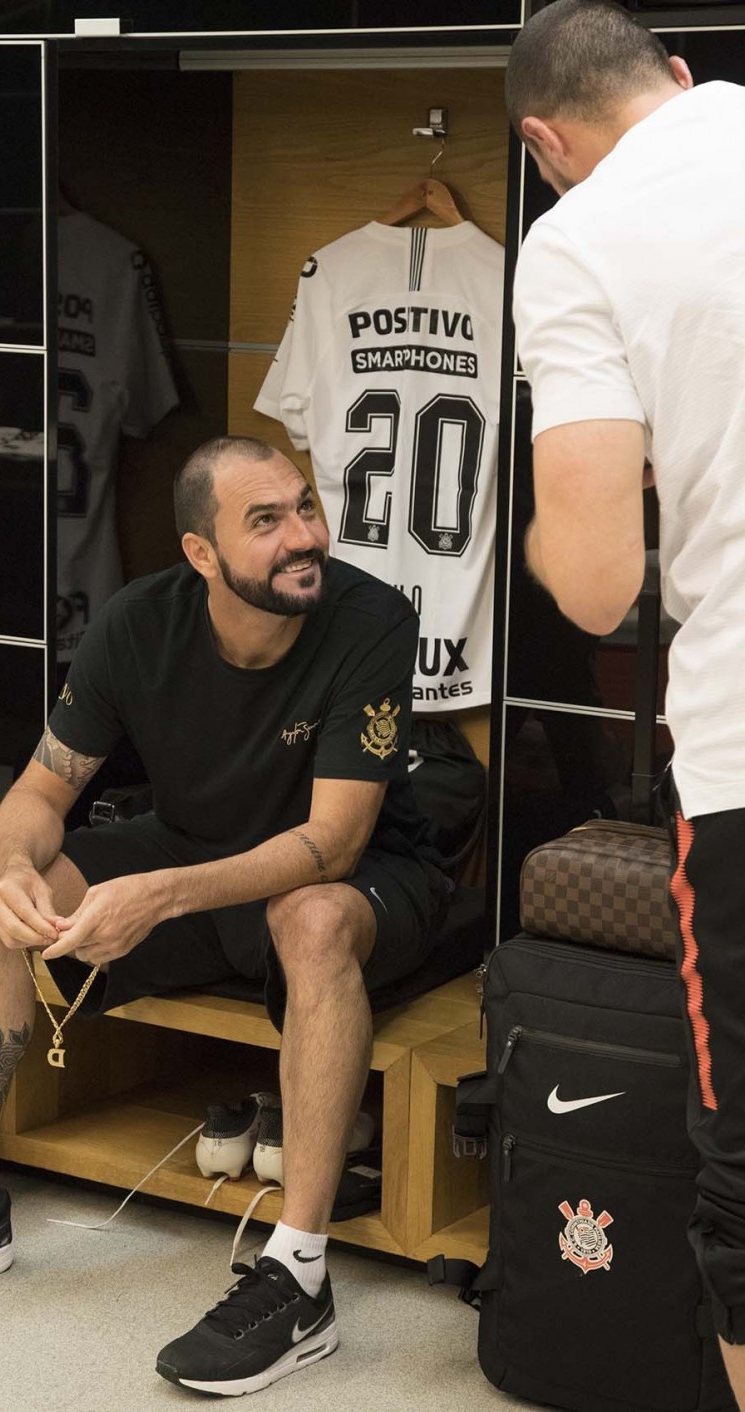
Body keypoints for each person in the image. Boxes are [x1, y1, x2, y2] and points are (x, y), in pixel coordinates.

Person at [0, 435, 449, 1398]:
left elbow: (333, 842)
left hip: (358, 876)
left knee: (312, 920)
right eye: (266, 521)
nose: (304, 537)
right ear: (201, 553)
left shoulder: (367, 618)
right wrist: (24, 869)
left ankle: (298, 1278)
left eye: (305, 509)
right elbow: (40, 787)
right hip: (197, 849)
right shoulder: (136, 623)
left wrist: (159, 894)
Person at [506, 3, 745, 1404]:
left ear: (543, 144)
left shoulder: (577, 242)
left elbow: (595, 587)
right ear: (679, 74)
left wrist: (579, 519)